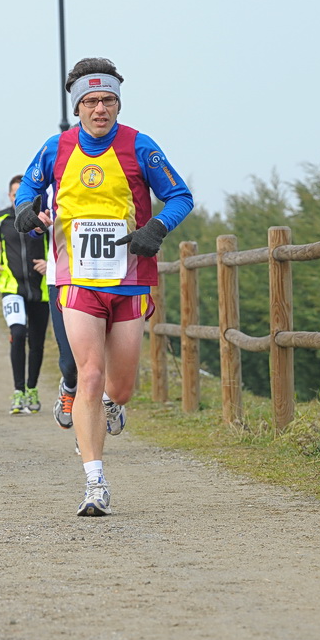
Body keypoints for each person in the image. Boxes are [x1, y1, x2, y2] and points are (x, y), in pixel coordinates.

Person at [14, 57, 194, 516]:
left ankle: (112, 404)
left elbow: (180, 196)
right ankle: (95, 484)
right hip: (77, 278)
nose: (100, 109)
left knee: (122, 387)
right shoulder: (55, 148)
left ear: (118, 104)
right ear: (77, 107)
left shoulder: (140, 146)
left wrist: (156, 228)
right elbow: (25, 193)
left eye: (108, 100)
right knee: (90, 375)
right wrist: (26, 212)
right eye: (91, 101)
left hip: (130, 279)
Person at [0, 174, 50, 415]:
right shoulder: (2, 218)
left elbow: (62, 247)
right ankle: (18, 391)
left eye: (22, 194)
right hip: (11, 288)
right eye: (14, 194)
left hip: (41, 289)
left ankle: (32, 388)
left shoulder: (45, 219)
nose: (18, 198)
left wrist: (50, 264)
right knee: (18, 333)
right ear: (10, 196)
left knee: (37, 342)